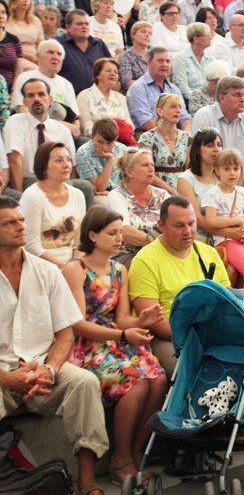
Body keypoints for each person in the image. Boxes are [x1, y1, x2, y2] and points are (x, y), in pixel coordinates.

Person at [0, 196, 109, 495]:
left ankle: (87, 482)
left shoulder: (47, 272)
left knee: (85, 382)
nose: (20, 227)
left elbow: (65, 333)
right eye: (9, 223)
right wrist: (8, 378)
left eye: (21, 220)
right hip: (1, 373)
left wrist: (50, 368)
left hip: (42, 366)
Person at [61, 206, 167, 485]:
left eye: (120, 231)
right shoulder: (74, 269)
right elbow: (77, 325)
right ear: (92, 235)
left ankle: (133, 453)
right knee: (137, 381)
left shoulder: (120, 269)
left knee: (159, 380)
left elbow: (121, 319)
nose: (119, 238)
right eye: (112, 233)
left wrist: (140, 320)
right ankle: (121, 459)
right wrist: (123, 336)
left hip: (114, 341)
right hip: (88, 345)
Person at [129, 196, 231, 376]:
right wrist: (196, 340)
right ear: (161, 225)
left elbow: (228, 299)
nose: (188, 231)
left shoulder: (208, 253)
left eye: (192, 224)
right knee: (195, 368)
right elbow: (152, 321)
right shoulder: (145, 260)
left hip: (211, 333)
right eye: (179, 226)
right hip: (166, 338)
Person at [3, 78, 76, 193]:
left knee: (85, 187)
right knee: (41, 186)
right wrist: (21, 195)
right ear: (24, 102)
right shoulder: (15, 122)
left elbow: (71, 165)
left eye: (41, 94)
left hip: (58, 179)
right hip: (29, 179)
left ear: (50, 99)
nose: (36, 99)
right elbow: (14, 160)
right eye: (30, 95)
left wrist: (72, 190)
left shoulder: (62, 130)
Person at [19, 141, 85, 267]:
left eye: (68, 160)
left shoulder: (78, 195)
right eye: (59, 160)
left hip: (72, 265)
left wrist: (75, 266)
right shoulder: (32, 197)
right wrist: (63, 268)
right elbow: (31, 246)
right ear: (43, 167)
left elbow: (80, 242)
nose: (66, 165)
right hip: (40, 265)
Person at [109, 148, 170, 268]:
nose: (151, 169)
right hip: (128, 254)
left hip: (162, 251)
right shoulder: (117, 195)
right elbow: (123, 231)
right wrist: (157, 243)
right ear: (129, 172)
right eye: (145, 165)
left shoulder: (162, 195)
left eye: (152, 165)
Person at [203, 150, 244, 276]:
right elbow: (211, 220)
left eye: (235, 168)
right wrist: (239, 221)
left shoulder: (242, 192)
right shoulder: (213, 193)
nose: (232, 173)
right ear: (217, 171)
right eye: (227, 169)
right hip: (227, 241)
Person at [191, 76, 244, 167]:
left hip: (240, 177)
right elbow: (197, 156)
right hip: (211, 177)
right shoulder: (204, 116)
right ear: (222, 98)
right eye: (237, 95)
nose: (243, 99)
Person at [126, 47, 192, 134]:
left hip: (173, 134)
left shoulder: (174, 89)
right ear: (149, 62)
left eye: (168, 61)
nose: (164, 65)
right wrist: (170, 134)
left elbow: (184, 117)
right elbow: (145, 122)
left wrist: (186, 134)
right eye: (160, 61)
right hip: (147, 134)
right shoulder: (138, 88)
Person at [137, 93, 190, 192]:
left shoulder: (186, 138)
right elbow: (147, 171)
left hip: (183, 189)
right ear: (160, 111)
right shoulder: (147, 138)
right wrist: (171, 191)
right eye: (173, 107)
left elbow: (189, 170)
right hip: (156, 190)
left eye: (180, 107)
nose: (178, 110)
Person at [55, 9, 111, 96]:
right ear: (68, 27)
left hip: (98, 97)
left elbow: (110, 68)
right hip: (69, 98)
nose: (84, 27)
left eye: (87, 24)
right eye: (79, 24)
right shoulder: (57, 44)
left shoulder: (99, 44)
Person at [76, 57, 133, 138]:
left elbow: (130, 126)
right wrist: (109, 138)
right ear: (97, 75)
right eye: (108, 70)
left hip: (121, 141)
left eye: (116, 72)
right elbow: (87, 128)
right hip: (96, 141)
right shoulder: (84, 96)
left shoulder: (121, 98)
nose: (113, 74)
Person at [74, 117, 126, 198]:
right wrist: (109, 159)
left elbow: (132, 181)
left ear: (116, 139)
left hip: (120, 192)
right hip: (98, 195)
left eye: (109, 143)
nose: (105, 148)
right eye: (100, 142)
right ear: (92, 137)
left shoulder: (122, 149)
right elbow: (99, 189)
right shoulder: (83, 153)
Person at [172, 22, 214, 101]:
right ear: (196, 39)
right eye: (207, 35)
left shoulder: (211, 58)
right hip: (188, 100)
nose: (211, 37)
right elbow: (183, 87)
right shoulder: (180, 57)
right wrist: (198, 100)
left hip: (209, 100)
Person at [118, 21, 151, 92]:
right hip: (136, 94)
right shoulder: (126, 56)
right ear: (133, 34)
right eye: (143, 31)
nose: (147, 35)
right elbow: (127, 83)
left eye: (150, 33)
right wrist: (152, 86)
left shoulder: (154, 55)